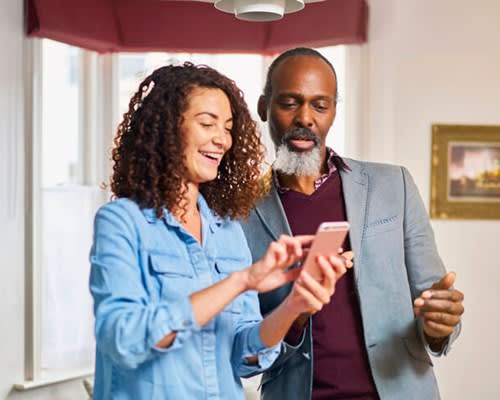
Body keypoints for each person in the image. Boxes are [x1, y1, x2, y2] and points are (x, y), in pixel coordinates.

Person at [88, 62, 352, 400]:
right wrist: (241, 281)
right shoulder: (122, 222)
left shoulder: (227, 230)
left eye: (227, 128)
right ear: (166, 129)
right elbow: (124, 339)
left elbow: (245, 357)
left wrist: (293, 307)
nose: (221, 140)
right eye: (207, 123)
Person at [241, 47, 465, 400]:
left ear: (332, 111)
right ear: (263, 107)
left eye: (320, 104)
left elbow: (432, 303)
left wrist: (440, 325)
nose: (305, 118)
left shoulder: (394, 186)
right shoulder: (239, 213)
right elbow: (246, 351)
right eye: (289, 103)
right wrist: (294, 315)